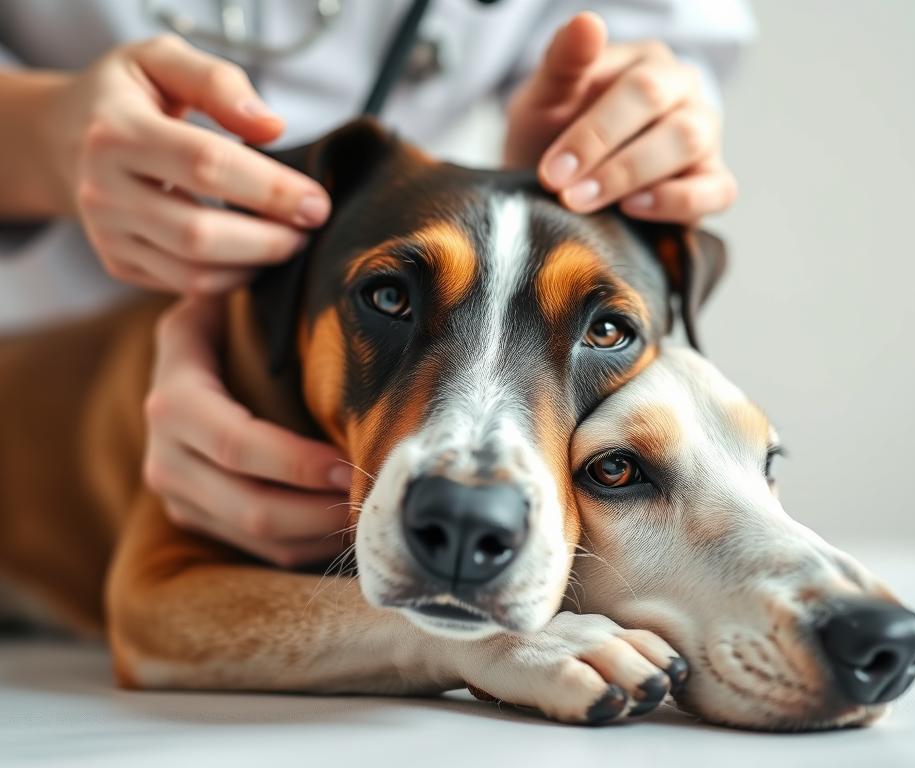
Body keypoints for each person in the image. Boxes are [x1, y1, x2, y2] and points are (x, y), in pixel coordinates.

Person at [0, 0, 753, 566]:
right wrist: (32, 138)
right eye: (391, 296)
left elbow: (668, 46)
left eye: (608, 329)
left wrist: (631, 124)